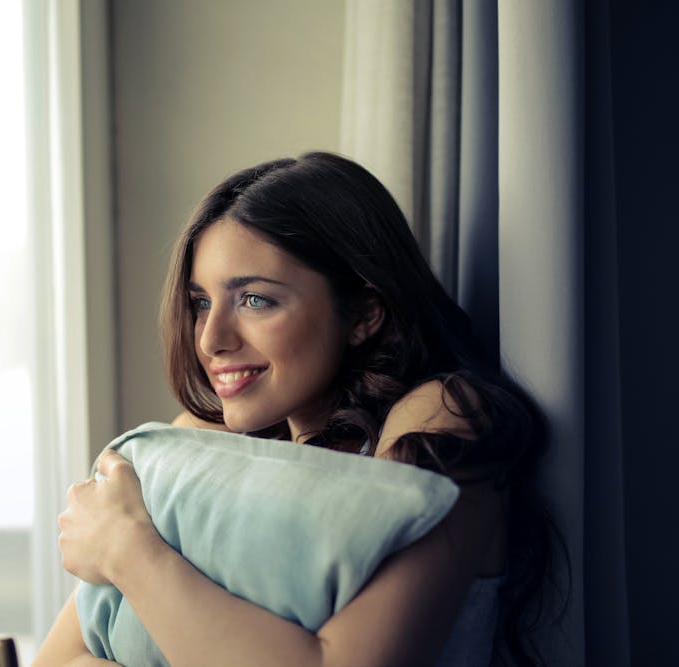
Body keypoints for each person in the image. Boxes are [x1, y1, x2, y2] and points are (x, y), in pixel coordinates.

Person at [34, 152, 564, 666]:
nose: (211, 339)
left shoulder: (441, 414)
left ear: (363, 314)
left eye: (255, 300)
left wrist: (128, 549)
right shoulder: (205, 445)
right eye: (201, 303)